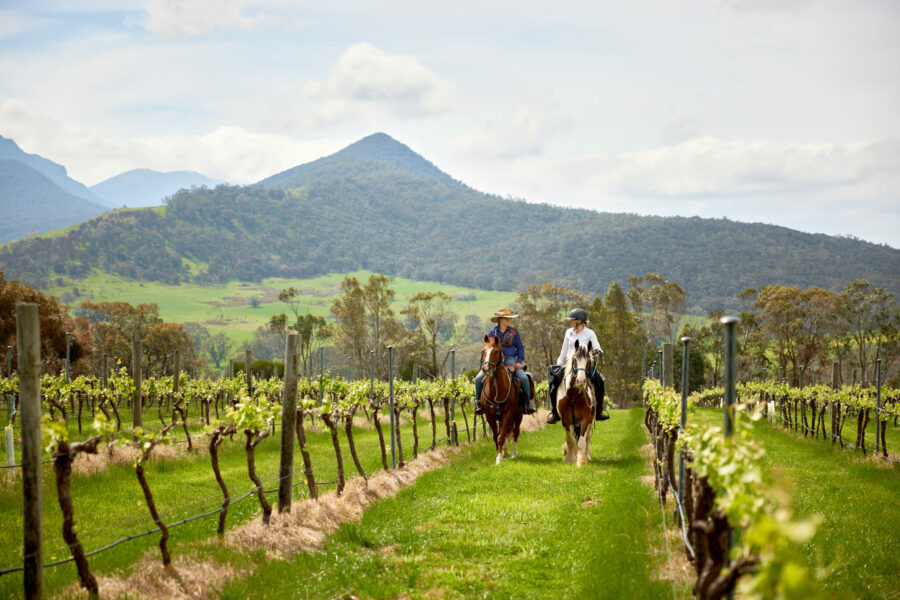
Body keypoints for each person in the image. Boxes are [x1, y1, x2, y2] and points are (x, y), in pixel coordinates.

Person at [546, 308, 607, 424]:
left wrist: (597, 351)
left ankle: (599, 412)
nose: (570, 322)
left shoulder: (590, 333)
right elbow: (563, 352)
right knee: (553, 384)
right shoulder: (568, 332)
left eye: (572, 320)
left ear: (579, 321)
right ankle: (555, 413)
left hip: (584, 364)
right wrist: (559, 366)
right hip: (568, 364)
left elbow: (597, 347)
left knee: (600, 381)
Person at [474, 308, 534, 415]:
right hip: (494, 361)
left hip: (510, 360)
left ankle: (527, 403)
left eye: (509, 319)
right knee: (478, 379)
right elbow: (488, 347)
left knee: (524, 378)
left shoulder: (514, 332)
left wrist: (519, 361)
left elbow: (520, 348)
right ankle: (478, 403)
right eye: (506, 318)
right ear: (500, 319)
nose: (508, 320)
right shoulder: (492, 332)